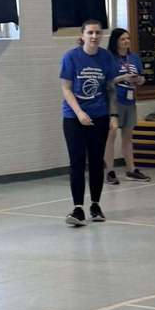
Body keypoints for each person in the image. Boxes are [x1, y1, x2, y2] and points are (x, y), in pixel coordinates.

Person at [60, 18, 127, 226]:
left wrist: (113, 115)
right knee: (77, 162)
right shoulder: (71, 57)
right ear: (82, 36)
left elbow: (110, 88)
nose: (94, 36)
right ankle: (78, 208)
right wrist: (79, 112)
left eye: (98, 33)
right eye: (90, 33)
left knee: (97, 161)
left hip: (99, 116)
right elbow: (66, 88)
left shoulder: (106, 58)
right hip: (74, 117)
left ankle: (96, 205)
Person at [104, 27, 151, 185]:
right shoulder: (109, 57)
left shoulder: (134, 57)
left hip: (130, 101)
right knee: (111, 135)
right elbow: (106, 81)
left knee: (127, 137)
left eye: (128, 38)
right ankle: (109, 171)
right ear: (115, 41)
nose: (126, 41)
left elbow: (142, 77)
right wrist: (122, 77)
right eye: (122, 39)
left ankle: (131, 169)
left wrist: (139, 80)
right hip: (115, 100)